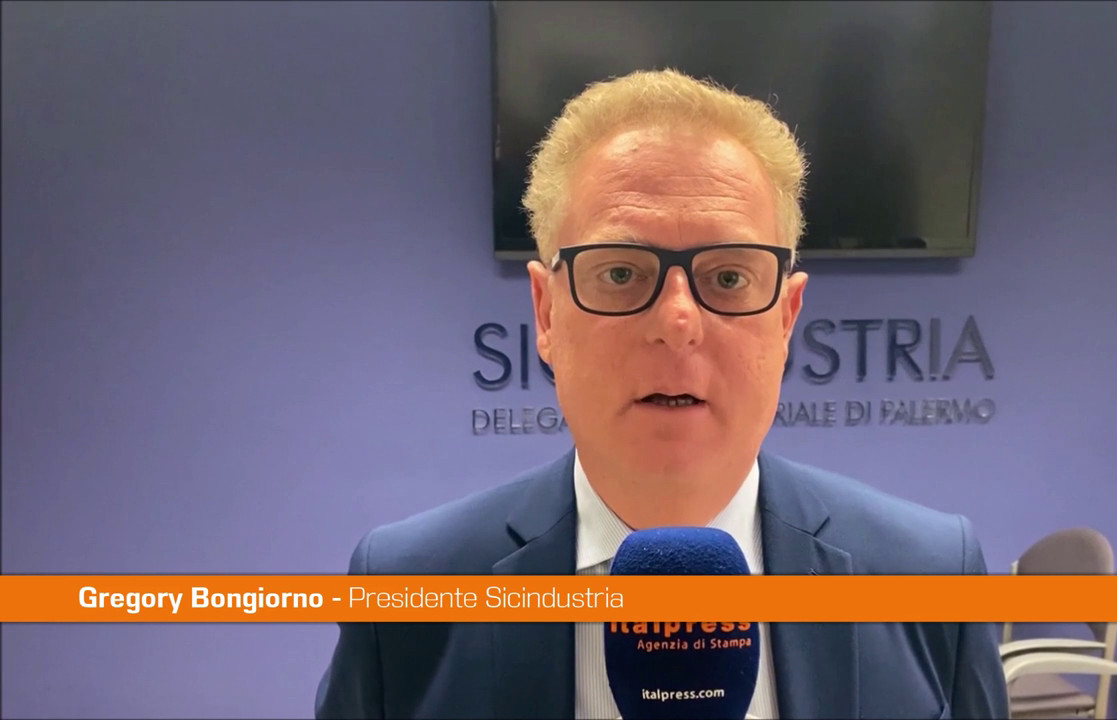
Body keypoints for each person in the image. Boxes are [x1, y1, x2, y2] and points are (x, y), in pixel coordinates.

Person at [315, 68, 1007, 720]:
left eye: (729, 278)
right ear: (546, 313)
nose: (678, 322)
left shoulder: (933, 574)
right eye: (621, 273)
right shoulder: (403, 594)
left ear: (786, 318)